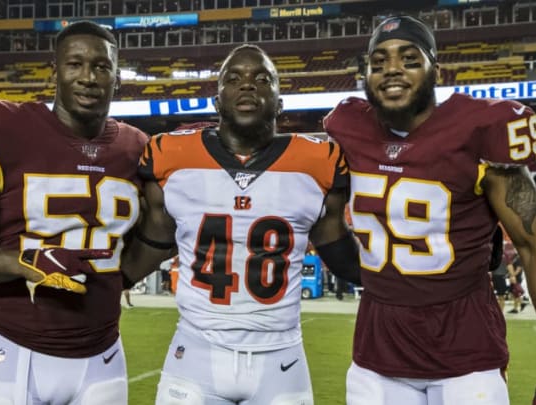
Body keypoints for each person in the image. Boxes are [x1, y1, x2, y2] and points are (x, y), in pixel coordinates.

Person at [323, 15, 536, 405]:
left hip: (467, 357)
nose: (392, 70)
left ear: (435, 71)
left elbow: (533, 246)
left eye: (409, 59)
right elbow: (326, 217)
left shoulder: (479, 131)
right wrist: (354, 269)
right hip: (377, 356)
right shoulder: (348, 127)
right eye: (379, 62)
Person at [0, 21, 148, 405]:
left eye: (101, 66)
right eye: (75, 64)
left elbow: (156, 237)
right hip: (14, 350)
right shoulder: (7, 130)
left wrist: (117, 279)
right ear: (54, 71)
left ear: (117, 79)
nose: (88, 77)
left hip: (104, 353)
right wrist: (25, 261)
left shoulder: (136, 148)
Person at [121, 44, 360, 405]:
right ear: (217, 102)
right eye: (233, 79)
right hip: (195, 351)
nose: (247, 85)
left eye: (262, 79)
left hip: (281, 357)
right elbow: (154, 241)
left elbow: (339, 251)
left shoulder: (319, 160)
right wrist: (111, 282)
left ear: (280, 103)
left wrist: (408, 281)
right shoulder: (169, 155)